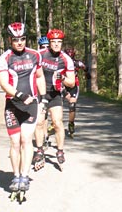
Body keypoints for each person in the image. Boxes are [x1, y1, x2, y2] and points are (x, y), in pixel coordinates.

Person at [0, 22, 47, 194]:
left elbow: (40, 77)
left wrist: (43, 100)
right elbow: (3, 83)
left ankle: (25, 176)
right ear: (10, 40)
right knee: (15, 142)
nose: (20, 42)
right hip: (12, 105)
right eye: (16, 39)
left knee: (26, 140)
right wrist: (20, 95)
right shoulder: (4, 59)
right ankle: (16, 175)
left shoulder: (35, 55)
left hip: (31, 105)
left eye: (23, 39)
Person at [33, 28, 75, 169]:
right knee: (39, 123)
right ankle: (39, 150)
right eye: (53, 42)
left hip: (55, 94)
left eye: (59, 42)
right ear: (49, 43)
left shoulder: (66, 59)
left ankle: (60, 151)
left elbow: (72, 82)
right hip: (40, 93)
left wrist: (62, 78)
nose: (56, 44)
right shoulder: (40, 55)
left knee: (57, 122)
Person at [62, 48, 86, 138]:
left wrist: (87, 74)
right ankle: (54, 122)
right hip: (62, 84)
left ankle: (71, 123)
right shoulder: (61, 62)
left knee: (72, 105)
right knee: (58, 104)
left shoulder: (77, 63)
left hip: (74, 85)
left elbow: (85, 67)